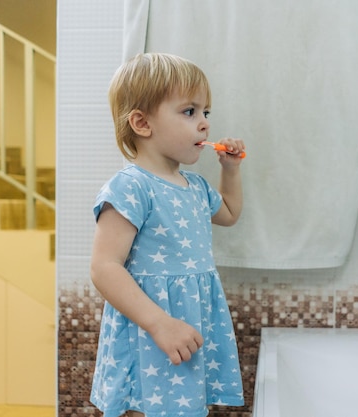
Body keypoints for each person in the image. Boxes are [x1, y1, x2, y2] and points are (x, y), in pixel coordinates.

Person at [89, 52, 245, 417]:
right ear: (142, 123)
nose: (204, 123)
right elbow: (104, 267)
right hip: (150, 331)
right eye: (190, 112)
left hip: (185, 325)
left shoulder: (196, 186)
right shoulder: (131, 187)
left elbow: (231, 214)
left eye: (206, 112)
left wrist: (231, 171)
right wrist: (159, 323)